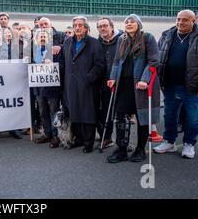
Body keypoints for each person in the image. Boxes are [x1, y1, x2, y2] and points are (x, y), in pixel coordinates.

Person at [154, 10, 198, 159]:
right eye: (178, 19)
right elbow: (159, 57)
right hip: (170, 85)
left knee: (194, 117)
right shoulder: (167, 35)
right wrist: (159, 79)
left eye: (185, 20)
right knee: (170, 116)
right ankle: (169, 141)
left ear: (193, 21)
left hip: (194, 87)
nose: (180, 22)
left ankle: (189, 144)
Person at [106, 14, 160, 163]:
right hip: (123, 85)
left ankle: (140, 149)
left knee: (142, 118)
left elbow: (154, 61)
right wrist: (112, 77)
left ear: (139, 24)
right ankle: (122, 149)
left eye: (132, 22)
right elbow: (116, 61)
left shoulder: (147, 38)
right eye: (126, 22)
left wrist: (144, 80)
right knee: (121, 116)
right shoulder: (122, 40)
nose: (129, 24)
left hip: (141, 86)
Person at [61, 16, 105, 153]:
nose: (77, 27)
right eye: (75, 25)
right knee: (75, 112)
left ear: (86, 28)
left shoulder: (94, 43)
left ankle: (89, 142)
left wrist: (89, 78)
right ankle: (78, 139)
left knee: (88, 113)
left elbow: (100, 64)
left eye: (80, 25)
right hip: (71, 84)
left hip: (88, 85)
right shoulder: (68, 42)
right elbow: (64, 62)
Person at [33, 29, 62, 148]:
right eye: (40, 36)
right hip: (38, 87)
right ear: (36, 39)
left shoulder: (55, 50)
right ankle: (47, 133)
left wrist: (52, 64)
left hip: (52, 87)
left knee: (53, 111)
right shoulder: (34, 51)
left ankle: (56, 136)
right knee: (42, 111)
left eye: (45, 36)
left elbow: (61, 65)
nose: (43, 38)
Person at [96, 17, 121, 149]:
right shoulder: (98, 41)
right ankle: (106, 137)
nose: (102, 28)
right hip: (104, 82)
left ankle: (122, 141)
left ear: (111, 26)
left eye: (105, 26)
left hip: (121, 81)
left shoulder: (122, 39)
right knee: (105, 111)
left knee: (122, 113)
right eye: (100, 27)